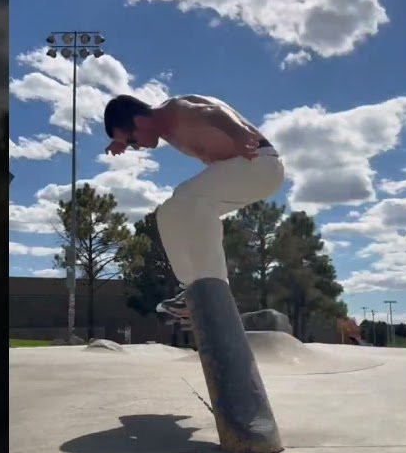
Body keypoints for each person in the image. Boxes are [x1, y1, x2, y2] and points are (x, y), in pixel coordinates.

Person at [104, 93, 284, 321]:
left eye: (132, 141)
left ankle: (213, 286)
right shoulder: (159, 125)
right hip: (246, 173)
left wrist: (237, 132)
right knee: (170, 212)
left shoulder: (175, 111)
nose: (136, 147)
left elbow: (213, 112)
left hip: (259, 163)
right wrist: (120, 141)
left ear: (139, 122)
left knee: (188, 198)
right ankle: (193, 289)